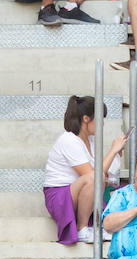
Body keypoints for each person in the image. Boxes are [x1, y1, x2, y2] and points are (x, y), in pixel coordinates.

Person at [43, 95, 127, 245]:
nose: (102, 124)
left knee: (119, 188)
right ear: (86, 118)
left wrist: (116, 154)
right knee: (95, 178)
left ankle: (103, 226)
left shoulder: (90, 140)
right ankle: (81, 228)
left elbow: (102, 173)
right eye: (100, 119)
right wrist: (112, 151)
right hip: (60, 197)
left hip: (79, 193)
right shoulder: (69, 140)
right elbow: (92, 175)